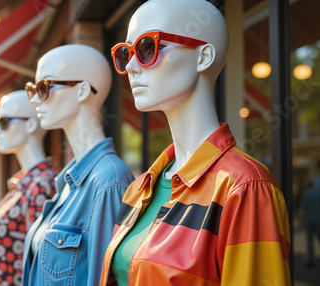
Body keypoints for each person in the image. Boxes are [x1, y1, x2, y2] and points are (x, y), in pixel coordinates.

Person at [99, 0, 291, 285]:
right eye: (126, 53)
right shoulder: (137, 190)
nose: (131, 67)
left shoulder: (245, 188)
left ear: (203, 57)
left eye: (148, 48)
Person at [22, 44, 135, 286]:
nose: (35, 100)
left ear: (83, 90)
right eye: (32, 90)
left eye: (44, 87)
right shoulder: (69, 181)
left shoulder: (109, 180)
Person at [0, 90, 57, 286]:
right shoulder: (24, 183)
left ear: (31, 124)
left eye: (4, 122)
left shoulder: (41, 185)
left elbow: (40, 259)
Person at [300, 177, 320, 267]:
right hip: (318, 219)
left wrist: (301, 221)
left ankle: (311, 259)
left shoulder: (306, 194)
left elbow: (302, 211)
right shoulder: (318, 193)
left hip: (309, 220)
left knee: (310, 241)